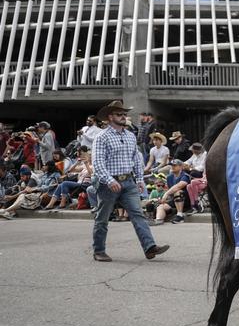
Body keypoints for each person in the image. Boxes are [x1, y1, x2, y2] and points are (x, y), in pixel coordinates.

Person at [90, 99, 169, 262]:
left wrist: (140, 179)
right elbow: (97, 162)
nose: (123, 116)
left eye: (124, 114)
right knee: (102, 219)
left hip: (128, 182)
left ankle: (150, 247)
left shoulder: (130, 136)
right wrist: (109, 180)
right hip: (107, 184)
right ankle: (98, 250)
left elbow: (136, 160)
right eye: (119, 114)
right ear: (110, 117)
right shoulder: (101, 137)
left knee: (138, 215)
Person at [43, 146, 94, 211]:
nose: (87, 157)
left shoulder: (93, 166)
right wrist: (77, 163)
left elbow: (91, 174)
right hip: (79, 183)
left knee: (65, 183)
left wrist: (86, 164)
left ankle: (63, 203)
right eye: (87, 156)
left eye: (89, 156)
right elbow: (71, 170)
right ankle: (50, 204)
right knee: (60, 185)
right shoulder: (84, 165)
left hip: (85, 184)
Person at [153, 159, 190, 225]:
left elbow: (180, 185)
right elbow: (169, 190)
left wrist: (166, 194)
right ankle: (158, 220)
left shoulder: (185, 175)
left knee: (178, 192)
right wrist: (163, 199)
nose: (172, 167)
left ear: (181, 166)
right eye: (171, 165)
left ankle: (180, 215)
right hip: (174, 200)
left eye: (175, 165)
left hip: (186, 200)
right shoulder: (169, 177)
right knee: (161, 207)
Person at [183, 142, 207, 212]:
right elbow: (188, 161)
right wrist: (185, 165)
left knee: (193, 179)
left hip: (202, 177)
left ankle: (196, 202)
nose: (192, 151)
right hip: (198, 176)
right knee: (188, 186)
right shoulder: (194, 155)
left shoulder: (205, 155)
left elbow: (202, 168)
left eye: (193, 150)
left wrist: (191, 168)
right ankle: (193, 205)